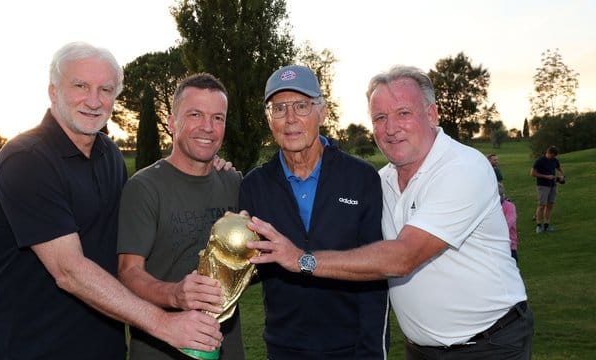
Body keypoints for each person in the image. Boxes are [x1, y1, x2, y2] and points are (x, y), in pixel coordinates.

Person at [245, 65, 533, 360]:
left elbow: (403, 256)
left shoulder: (463, 168)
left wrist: (301, 260)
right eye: (380, 118)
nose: (391, 128)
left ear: (431, 114)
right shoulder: (381, 181)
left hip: (488, 345)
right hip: (420, 349)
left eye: (403, 113)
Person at [0, 42, 222, 359]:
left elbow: (132, 235)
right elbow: (69, 270)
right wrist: (164, 324)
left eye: (106, 89)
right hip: (36, 348)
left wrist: (205, 164)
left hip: (104, 347)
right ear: (53, 91)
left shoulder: (108, 155)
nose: (94, 100)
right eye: (80, 85)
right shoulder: (27, 159)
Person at [239, 65, 390, 359]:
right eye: (279, 108)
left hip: (351, 348)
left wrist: (373, 352)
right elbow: (251, 266)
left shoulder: (361, 178)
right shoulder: (254, 186)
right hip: (284, 349)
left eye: (301, 105)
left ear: (322, 112)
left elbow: (377, 273)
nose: (291, 118)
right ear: (269, 120)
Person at [117, 73, 245, 360]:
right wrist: (176, 294)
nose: (208, 128)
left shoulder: (234, 183)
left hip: (226, 349)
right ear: (172, 122)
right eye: (195, 114)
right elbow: (128, 272)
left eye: (217, 118)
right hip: (161, 351)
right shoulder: (144, 188)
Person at [531, 145, 565, 233]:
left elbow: (559, 168)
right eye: (552, 156)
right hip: (542, 186)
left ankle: (547, 225)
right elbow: (533, 173)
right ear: (548, 153)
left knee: (550, 205)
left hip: (553, 185)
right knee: (542, 205)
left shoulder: (554, 160)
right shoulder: (539, 161)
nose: (553, 158)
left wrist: (562, 175)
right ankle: (538, 225)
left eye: (554, 156)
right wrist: (546, 176)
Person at [498, 183, 519, 262]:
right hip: (494, 247)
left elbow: (506, 226)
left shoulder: (510, 207)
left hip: (509, 247)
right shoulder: (491, 208)